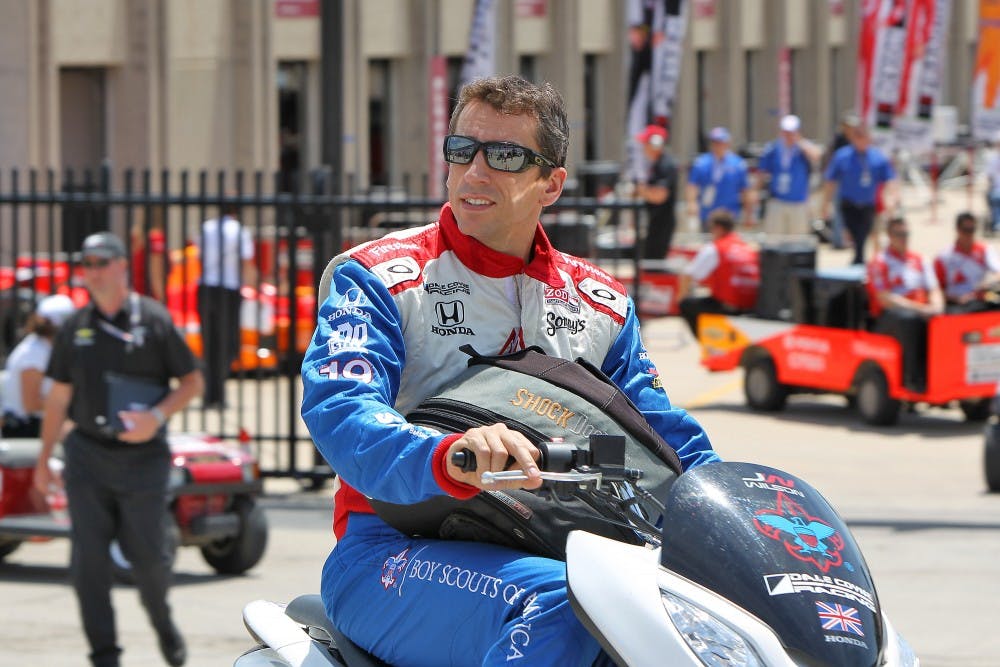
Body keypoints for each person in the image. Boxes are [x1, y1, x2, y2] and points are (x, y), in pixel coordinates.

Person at [300, 75, 718, 666]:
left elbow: (659, 433)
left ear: (551, 183)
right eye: (461, 150)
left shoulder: (600, 302)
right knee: (565, 606)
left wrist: (747, 510)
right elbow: (341, 411)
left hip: (570, 543)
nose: (474, 172)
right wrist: (447, 454)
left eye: (504, 156)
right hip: (392, 549)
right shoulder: (377, 277)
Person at [32, 231, 203, 667]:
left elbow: (192, 382)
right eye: (86, 263)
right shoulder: (74, 326)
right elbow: (57, 399)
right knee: (87, 566)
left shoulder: (154, 320)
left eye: (101, 261)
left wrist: (157, 417)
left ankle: (163, 624)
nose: (92, 271)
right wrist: (42, 459)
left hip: (143, 461)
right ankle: (104, 656)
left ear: (123, 265)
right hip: (87, 458)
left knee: (148, 564)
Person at [866, 217, 943, 393]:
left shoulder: (919, 259)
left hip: (921, 310)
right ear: (889, 236)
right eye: (899, 234)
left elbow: (934, 289)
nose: (903, 238)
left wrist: (936, 307)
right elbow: (885, 298)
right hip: (889, 317)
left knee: (946, 320)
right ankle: (912, 379)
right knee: (909, 321)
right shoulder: (880, 262)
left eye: (906, 234)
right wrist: (920, 309)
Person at [195, 202, 256, 408]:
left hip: (205, 287)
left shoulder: (206, 228)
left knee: (209, 341)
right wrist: (252, 285)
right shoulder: (240, 231)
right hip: (228, 288)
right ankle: (218, 394)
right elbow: (246, 263)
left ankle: (208, 394)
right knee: (227, 343)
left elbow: (198, 257)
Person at [821, 122, 899, 266]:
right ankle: (859, 259)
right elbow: (830, 180)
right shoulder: (842, 156)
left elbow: (890, 179)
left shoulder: (877, 157)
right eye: (857, 136)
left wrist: (892, 199)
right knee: (852, 235)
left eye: (863, 136)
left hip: (868, 204)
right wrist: (825, 204)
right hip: (848, 203)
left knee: (864, 234)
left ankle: (859, 260)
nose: (860, 140)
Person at [676, 209, 761, 338]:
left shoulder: (715, 248)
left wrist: (681, 298)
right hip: (751, 305)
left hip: (727, 306)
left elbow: (688, 274)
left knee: (686, 304)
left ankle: (707, 342)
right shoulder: (747, 247)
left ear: (718, 228)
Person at [1, 294, 76, 438]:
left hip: (41, 425)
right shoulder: (33, 354)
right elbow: (31, 404)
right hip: (26, 430)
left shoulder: (45, 348)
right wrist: (73, 410)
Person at [755, 114, 821, 238]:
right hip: (777, 200)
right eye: (786, 132)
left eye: (791, 132)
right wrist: (755, 193)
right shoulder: (773, 148)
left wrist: (800, 142)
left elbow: (816, 156)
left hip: (798, 201)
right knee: (774, 238)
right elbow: (762, 172)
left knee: (798, 239)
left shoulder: (802, 148)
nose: (788, 135)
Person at [684, 126, 753, 232]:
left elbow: (745, 190)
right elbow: (692, 185)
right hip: (708, 213)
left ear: (727, 143)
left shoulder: (738, 164)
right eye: (715, 142)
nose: (718, 145)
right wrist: (692, 203)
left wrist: (748, 213)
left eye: (721, 142)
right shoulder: (701, 163)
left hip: (730, 214)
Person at [934, 211, 1000, 313]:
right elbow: (936, 289)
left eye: (972, 230)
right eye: (966, 230)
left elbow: (998, 272)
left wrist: (988, 285)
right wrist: (957, 299)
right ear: (957, 230)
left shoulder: (984, 250)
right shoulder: (944, 257)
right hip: (955, 303)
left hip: (980, 299)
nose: (969, 234)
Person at [634, 123, 679, 259]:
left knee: (653, 263)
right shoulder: (658, 163)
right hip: (656, 222)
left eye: (646, 143)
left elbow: (660, 195)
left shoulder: (665, 165)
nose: (643, 147)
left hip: (662, 224)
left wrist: (640, 191)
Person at [821, 111, 862, 249]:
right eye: (848, 126)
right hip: (839, 182)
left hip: (856, 183)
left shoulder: (859, 140)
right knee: (839, 212)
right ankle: (838, 241)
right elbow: (829, 161)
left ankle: (855, 239)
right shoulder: (838, 141)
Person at [130, 209, 167, 302]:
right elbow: (155, 274)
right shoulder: (156, 238)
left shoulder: (137, 236)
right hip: (148, 298)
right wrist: (162, 300)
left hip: (136, 295)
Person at [986, 131, 1000, 234]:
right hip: (996, 188)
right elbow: (989, 177)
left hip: (996, 189)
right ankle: (997, 223)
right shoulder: (993, 158)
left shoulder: (992, 158)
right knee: (995, 197)